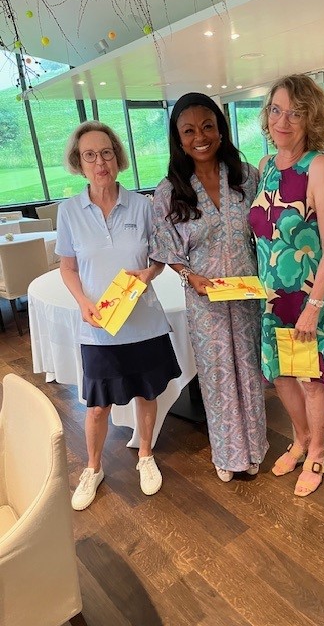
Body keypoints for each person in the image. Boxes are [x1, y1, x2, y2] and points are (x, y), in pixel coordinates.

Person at [56, 120, 181, 511]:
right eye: (90, 155)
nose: (100, 162)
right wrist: (82, 302)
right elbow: (68, 267)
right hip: (99, 328)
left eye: (106, 153)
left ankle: (146, 455)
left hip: (143, 322)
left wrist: (149, 274)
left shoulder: (142, 206)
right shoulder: (69, 211)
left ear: (117, 157)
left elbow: (159, 257)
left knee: (148, 393)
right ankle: (92, 468)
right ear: (79, 162)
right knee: (97, 406)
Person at [150, 92, 268, 482]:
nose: (200, 136)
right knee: (217, 377)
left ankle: (254, 447)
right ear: (178, 138)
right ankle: (228, 454)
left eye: (207, 126)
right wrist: (189, 276)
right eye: (189, 131)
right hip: (205, 300)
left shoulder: (246, 176)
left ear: (220, 129)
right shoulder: (169, 191)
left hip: (247, 295)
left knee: (249, 369)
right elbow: (168, 249)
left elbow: (265, 230)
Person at [249, 74, 324, 497]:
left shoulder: (319, 167)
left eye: (295, 113)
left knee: (310, 378)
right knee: (281, 375)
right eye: (276, 110)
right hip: (270, 298)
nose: (282, 121)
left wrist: (314, 306)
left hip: (306, 296)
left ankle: (318, 450)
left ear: (311, 119)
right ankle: (300, 439)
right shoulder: (266, 166)